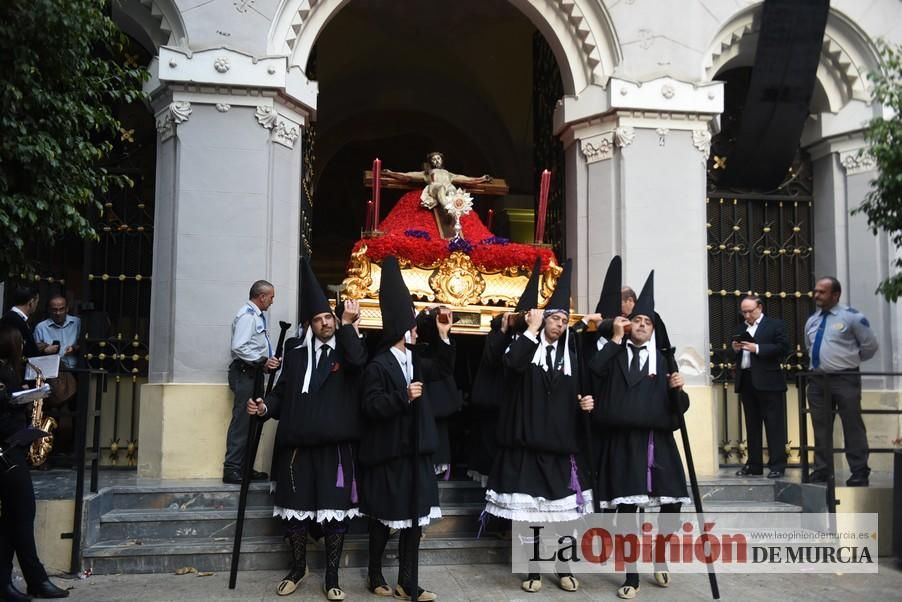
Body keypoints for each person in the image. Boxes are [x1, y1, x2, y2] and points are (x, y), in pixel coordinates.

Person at [247, 259, 366, 600]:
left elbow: (359, 363)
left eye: (329, 317)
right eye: (319, 319)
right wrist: (265, 407)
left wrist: (346, 326)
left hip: (336, 448)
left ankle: (332, 576)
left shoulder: (347, 345)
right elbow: (282, 394)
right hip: (296, 447)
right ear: (309, 324)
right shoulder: (295, 352)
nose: (325, 323)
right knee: (295, 513)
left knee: (334, 516)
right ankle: (298, 568)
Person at [484, 260, 594, 594]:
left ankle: (563, 568)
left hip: (560, 448)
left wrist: (585, 405)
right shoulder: (526, 347)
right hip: (527, 445)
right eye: (554, 319)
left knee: (561, 517)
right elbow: (511, 364)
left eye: (563, 320)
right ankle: (532, 570)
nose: (559, 325)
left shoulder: (573, 355)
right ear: (544, 319)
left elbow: (586, 389)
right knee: (530, 516)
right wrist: (529, 331)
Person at [589, 272, 690, 600]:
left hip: (657, 442)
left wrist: (679, 390)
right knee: (628, 511)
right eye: (637, 320)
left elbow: (680, 407)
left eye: (647, 321)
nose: (642, 325)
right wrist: (615, 338)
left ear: (653, 327)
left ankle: (660, 555)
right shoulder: (614, 355)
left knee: (672, 502)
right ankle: (631, 575)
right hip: (623, 444)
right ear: (628, 326)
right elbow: (594, 371)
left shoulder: (664, 360)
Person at [360, 256, 453, 602]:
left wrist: (444, 335)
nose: (417, 331)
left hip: (418, 452)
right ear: (401, 330)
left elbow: (443, 369)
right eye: (413, 326)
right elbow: (370, 407)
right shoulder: (378, 365)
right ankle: (374, 575)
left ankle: (408, 582)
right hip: (391, 453)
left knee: (416, 522)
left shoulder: (416, 360)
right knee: (385, 521)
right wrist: (403, 396)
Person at [0, 324, 69, 601]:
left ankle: (8, 581)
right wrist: (17, 403)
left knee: (10, 520)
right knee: (23, 515)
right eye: (19, 344)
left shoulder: (8, 371)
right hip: (8, 451)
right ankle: (35, 578)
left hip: (12, 449)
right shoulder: (2, 372)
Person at [804, 277, 878, 487]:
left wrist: (849, 361)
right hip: (818, 380)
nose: (816, 295)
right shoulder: (813, 320)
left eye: (822, 292)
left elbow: (870, 346)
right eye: (816, 291)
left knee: (852, 424)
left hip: (845, 378)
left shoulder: (852, 317)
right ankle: (821, 470)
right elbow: (809, 344)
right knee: (821, 426)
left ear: (835, 295)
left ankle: (859, 470)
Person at [222, 280, 281, 485]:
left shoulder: (256, 315)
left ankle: (245, 468)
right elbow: (239, 347)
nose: (272, 301)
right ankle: (232, 469)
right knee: (243, 421)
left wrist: (265, 363)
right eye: (271, 297)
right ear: (262, 296)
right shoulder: (248, 316)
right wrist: (262, 360)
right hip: (246, 373)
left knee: (253, 420)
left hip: (254, 372)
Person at [732, 295, 789, 478]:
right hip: (747, 380)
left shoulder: (775, 325)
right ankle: (754, 464)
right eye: (744, 311)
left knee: (774, 424)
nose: (747, 315)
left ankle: (777, 464)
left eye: (750, 311)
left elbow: (783, 348)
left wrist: (757, 348)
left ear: (759, 307)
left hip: (769, 382)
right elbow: (734, 354)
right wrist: (735, 349)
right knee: (752, 424)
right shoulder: (741, 328)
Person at [383, 152, 492, 212]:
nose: (436, 160)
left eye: (438, 158)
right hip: (434, 187)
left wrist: (482, 178)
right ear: (430, 162)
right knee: (440, 187)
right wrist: (391, 173)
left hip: (447, 187)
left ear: (442, 160)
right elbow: (407, 176)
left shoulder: (449, 174)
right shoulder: (427, 173)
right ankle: (447, 208)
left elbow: (467, 179)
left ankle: (454, 209)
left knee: (452, 189)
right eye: (434, 159)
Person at [33, 296, 81, 370]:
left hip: (76, 370)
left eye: (61, 309)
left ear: (67, 309)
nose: (58, 313)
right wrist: (44, 351)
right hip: (51, 371)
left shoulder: (77, 323)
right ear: (49, 310)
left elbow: (84, 345)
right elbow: (34, 354)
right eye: (54, 310)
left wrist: (74, 348)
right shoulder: (41, 328)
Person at [0, 285, 40, 359]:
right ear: (31, 303)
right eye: (37, 302)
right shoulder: (12, 319)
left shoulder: (17, 318)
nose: (36, 306)